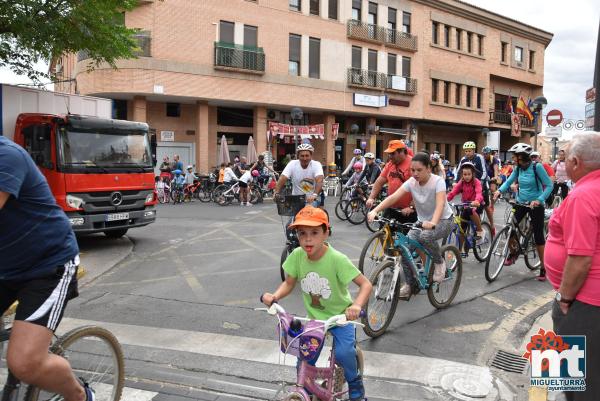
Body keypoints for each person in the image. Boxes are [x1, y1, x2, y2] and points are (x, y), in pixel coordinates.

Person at [0, 136, 95, 401]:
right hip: (6, 265)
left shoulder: (6, 157)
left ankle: (80, 395)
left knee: (24, 363)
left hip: (47, 265)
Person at [261, 206, 372, 401]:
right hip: (315, 320)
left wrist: (356, 306)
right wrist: (275, 296)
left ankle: (356, 385)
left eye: (314, 233)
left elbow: (365, 284)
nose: (307, 239)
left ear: (326, 233)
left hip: (341, 318)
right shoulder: (296, 255)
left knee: (345, 353)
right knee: (304, 357)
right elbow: (289, 282)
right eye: (302, 233)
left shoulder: (337, 259)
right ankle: (306, 388)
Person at [545, 132, 600, 401]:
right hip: (590, 301)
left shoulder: (583, 196)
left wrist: (563, 298)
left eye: (565, 158)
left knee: (575, 379)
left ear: (576, 162)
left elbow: (580, 258)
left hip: (583, 302)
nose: (562, 163)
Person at [368, 152, 454, 298]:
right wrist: (375, 210)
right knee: (404, 248)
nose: (415, 173)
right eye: (412, 170)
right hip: (422, 222)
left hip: (443, 220)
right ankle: (411, 284)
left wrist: (433, 222)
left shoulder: (438, 181)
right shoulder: (411, 182)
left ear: (428, 168)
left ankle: (439, 263)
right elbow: (393, 197)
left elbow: (440, 204)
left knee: (426, 236)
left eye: (419, 170)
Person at [494, 143, 553, 280]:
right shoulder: (518, 169)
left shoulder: (536, 167)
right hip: (521, 202)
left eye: (515, 156)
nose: (513, 159)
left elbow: (549, 185)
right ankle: (514, 252)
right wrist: (499, 191)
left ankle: (543, 268)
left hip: (535, 205)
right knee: (510, 227)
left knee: (538, 236)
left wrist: (539, 199)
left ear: (522, 156)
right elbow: (508, 182)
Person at [366, 140, 417, 230]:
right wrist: (371, 198)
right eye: (389, 153)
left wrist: (412, 207)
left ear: (402, 152)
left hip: (408, 211)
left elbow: (419, 187)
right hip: (392, 207)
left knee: (407, 241)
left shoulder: (413, 164)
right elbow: (379, 181)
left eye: (393, 153)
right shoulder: (390, 164)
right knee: (383, 232)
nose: (390, 156)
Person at [447, 162, 486, 255]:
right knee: (461, 230)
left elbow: (479, 193)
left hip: (477, 204)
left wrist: (476, 201)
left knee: (470, 210)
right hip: (465, 205)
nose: (467, 176)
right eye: (465, 174)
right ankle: (460, 251)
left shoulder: (476, 182)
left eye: (469, 174)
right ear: (462, 175)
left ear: (473, 174)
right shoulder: (462, 182)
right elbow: (453, 192)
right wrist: (444, 199)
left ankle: (480, 230)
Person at [274, 143, 324, 207]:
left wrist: (314, 195)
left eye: (307, 155)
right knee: (293, 216)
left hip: (311, 199)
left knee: (310, 214)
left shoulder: (316, 164)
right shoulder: (292, 164)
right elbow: (282, 178)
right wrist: (276, 192)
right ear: (298, 156)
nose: (305, 158)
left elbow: (319, 180)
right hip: (296, 199)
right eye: (302, 156)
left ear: (311, 156)